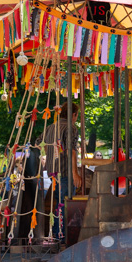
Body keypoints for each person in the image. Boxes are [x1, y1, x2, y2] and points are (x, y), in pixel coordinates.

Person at [40, 101, 82, 239]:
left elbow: (39, 142)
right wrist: (75, 173)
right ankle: (63, 237)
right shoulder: (71, 128)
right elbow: (71, 150)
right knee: (65, 205)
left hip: (52, 172)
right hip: (65, 172)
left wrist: (50, 153)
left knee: (58, 204)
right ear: (74, 115)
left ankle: (57, 235)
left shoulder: (51, 127)